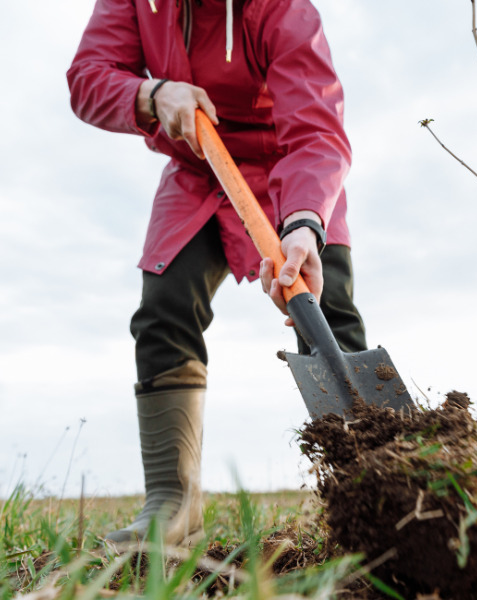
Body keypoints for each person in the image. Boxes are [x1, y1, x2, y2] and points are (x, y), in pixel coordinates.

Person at [67, 0, 366, 546]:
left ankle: (367, 495)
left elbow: (316, 130)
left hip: (288, 170)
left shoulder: (282, 10)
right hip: (198, 170)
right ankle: (172, 506)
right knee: (164, 307)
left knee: (325, 315)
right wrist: (151, 94)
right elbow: (87, 79)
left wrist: (304, 223)